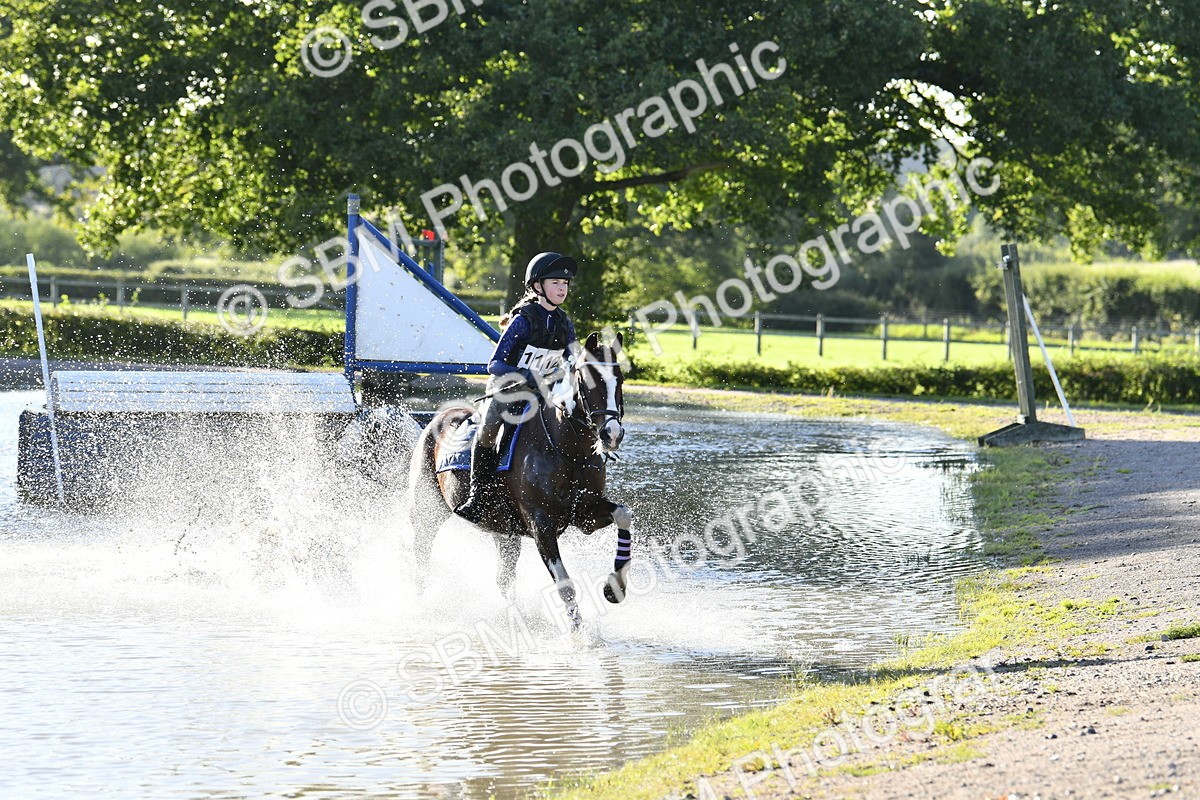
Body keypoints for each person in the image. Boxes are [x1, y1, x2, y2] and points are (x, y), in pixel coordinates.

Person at [454, 251, 580, 524]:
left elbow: (573, 357)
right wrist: (525, 375)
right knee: (488, 429)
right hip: (507, 388)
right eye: (556, 283)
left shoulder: (564, 322)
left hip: (545, 393)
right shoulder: (522, 320)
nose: (562, 289)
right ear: (538, 287)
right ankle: (478, 494)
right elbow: (495, 364)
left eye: (566, 284)